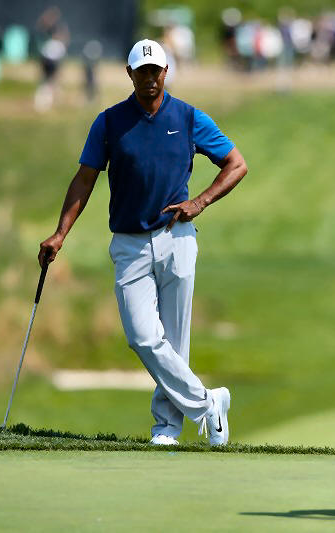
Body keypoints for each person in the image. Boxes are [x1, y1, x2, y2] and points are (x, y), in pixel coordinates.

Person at [38, 39, 248, 446]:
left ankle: (167, 428)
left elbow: (236, 164)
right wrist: (60, 233)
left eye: (156, 70)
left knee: (175, 340)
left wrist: (200, 201)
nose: (150, 78)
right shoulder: (109, 122)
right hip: (129, 243)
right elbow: (85, 178)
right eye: (142, 71)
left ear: (166, 72)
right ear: (129, 73)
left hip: (176, 237)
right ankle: (208, 402)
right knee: (142, 336)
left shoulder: (189, 118)